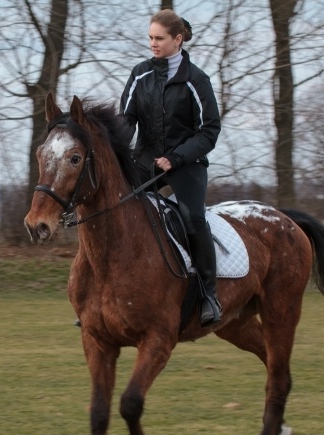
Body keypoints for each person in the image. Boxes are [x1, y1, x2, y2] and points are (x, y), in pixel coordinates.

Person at [121, 9, 223, 327]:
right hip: (145, 163)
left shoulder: (197, 80)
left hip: (186, 165)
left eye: (159, 38)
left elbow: (209, 130)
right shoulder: (139, 74)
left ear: (177, 40)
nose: (153, 44)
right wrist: (116, 153)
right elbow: (125, 122)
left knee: (193, 218)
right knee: (115, 209)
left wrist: (176, 158)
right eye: (150, 38)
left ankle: (209, 295)